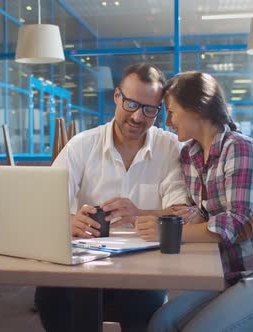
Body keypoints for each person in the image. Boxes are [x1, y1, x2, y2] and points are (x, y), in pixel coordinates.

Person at [135, 71, 253, 331]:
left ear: (196, 109)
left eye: (171, 112)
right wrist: (141, 214)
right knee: (161, 323)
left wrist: (166, 232)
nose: (168, 122)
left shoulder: (240, 149)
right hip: (229, 276)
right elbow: (194, 212)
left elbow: (235, 224)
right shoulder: (190, 155)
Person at [35, 63, 187, 332]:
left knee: (143, 308)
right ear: (117, 97)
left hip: (144, 268)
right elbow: (43, 204)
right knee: (51, 296)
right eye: (131, 104)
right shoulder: (82, 145)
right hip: (85, 264)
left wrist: (139, 213)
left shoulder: (170, 148)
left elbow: (182, 212)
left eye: (149, 110)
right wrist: (69, 221)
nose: (138, 117)